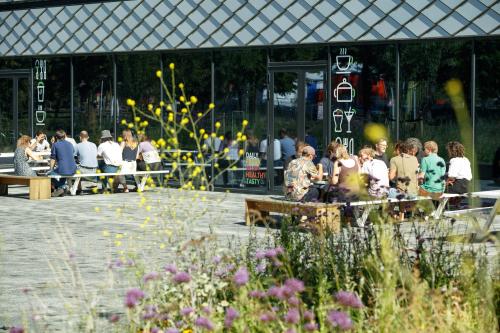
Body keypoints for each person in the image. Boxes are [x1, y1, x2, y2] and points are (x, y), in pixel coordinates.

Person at [49, 130, 77, 197]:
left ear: (56, 137)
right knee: (62, 170)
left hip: (63, 169)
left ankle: (62, 187)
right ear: (65, 136)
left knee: (49, 174)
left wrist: (51, 169)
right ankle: (60, 189)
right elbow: (72, 153)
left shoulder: (55, 145)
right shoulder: (70, 144)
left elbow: (53, 158)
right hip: (73, 169)